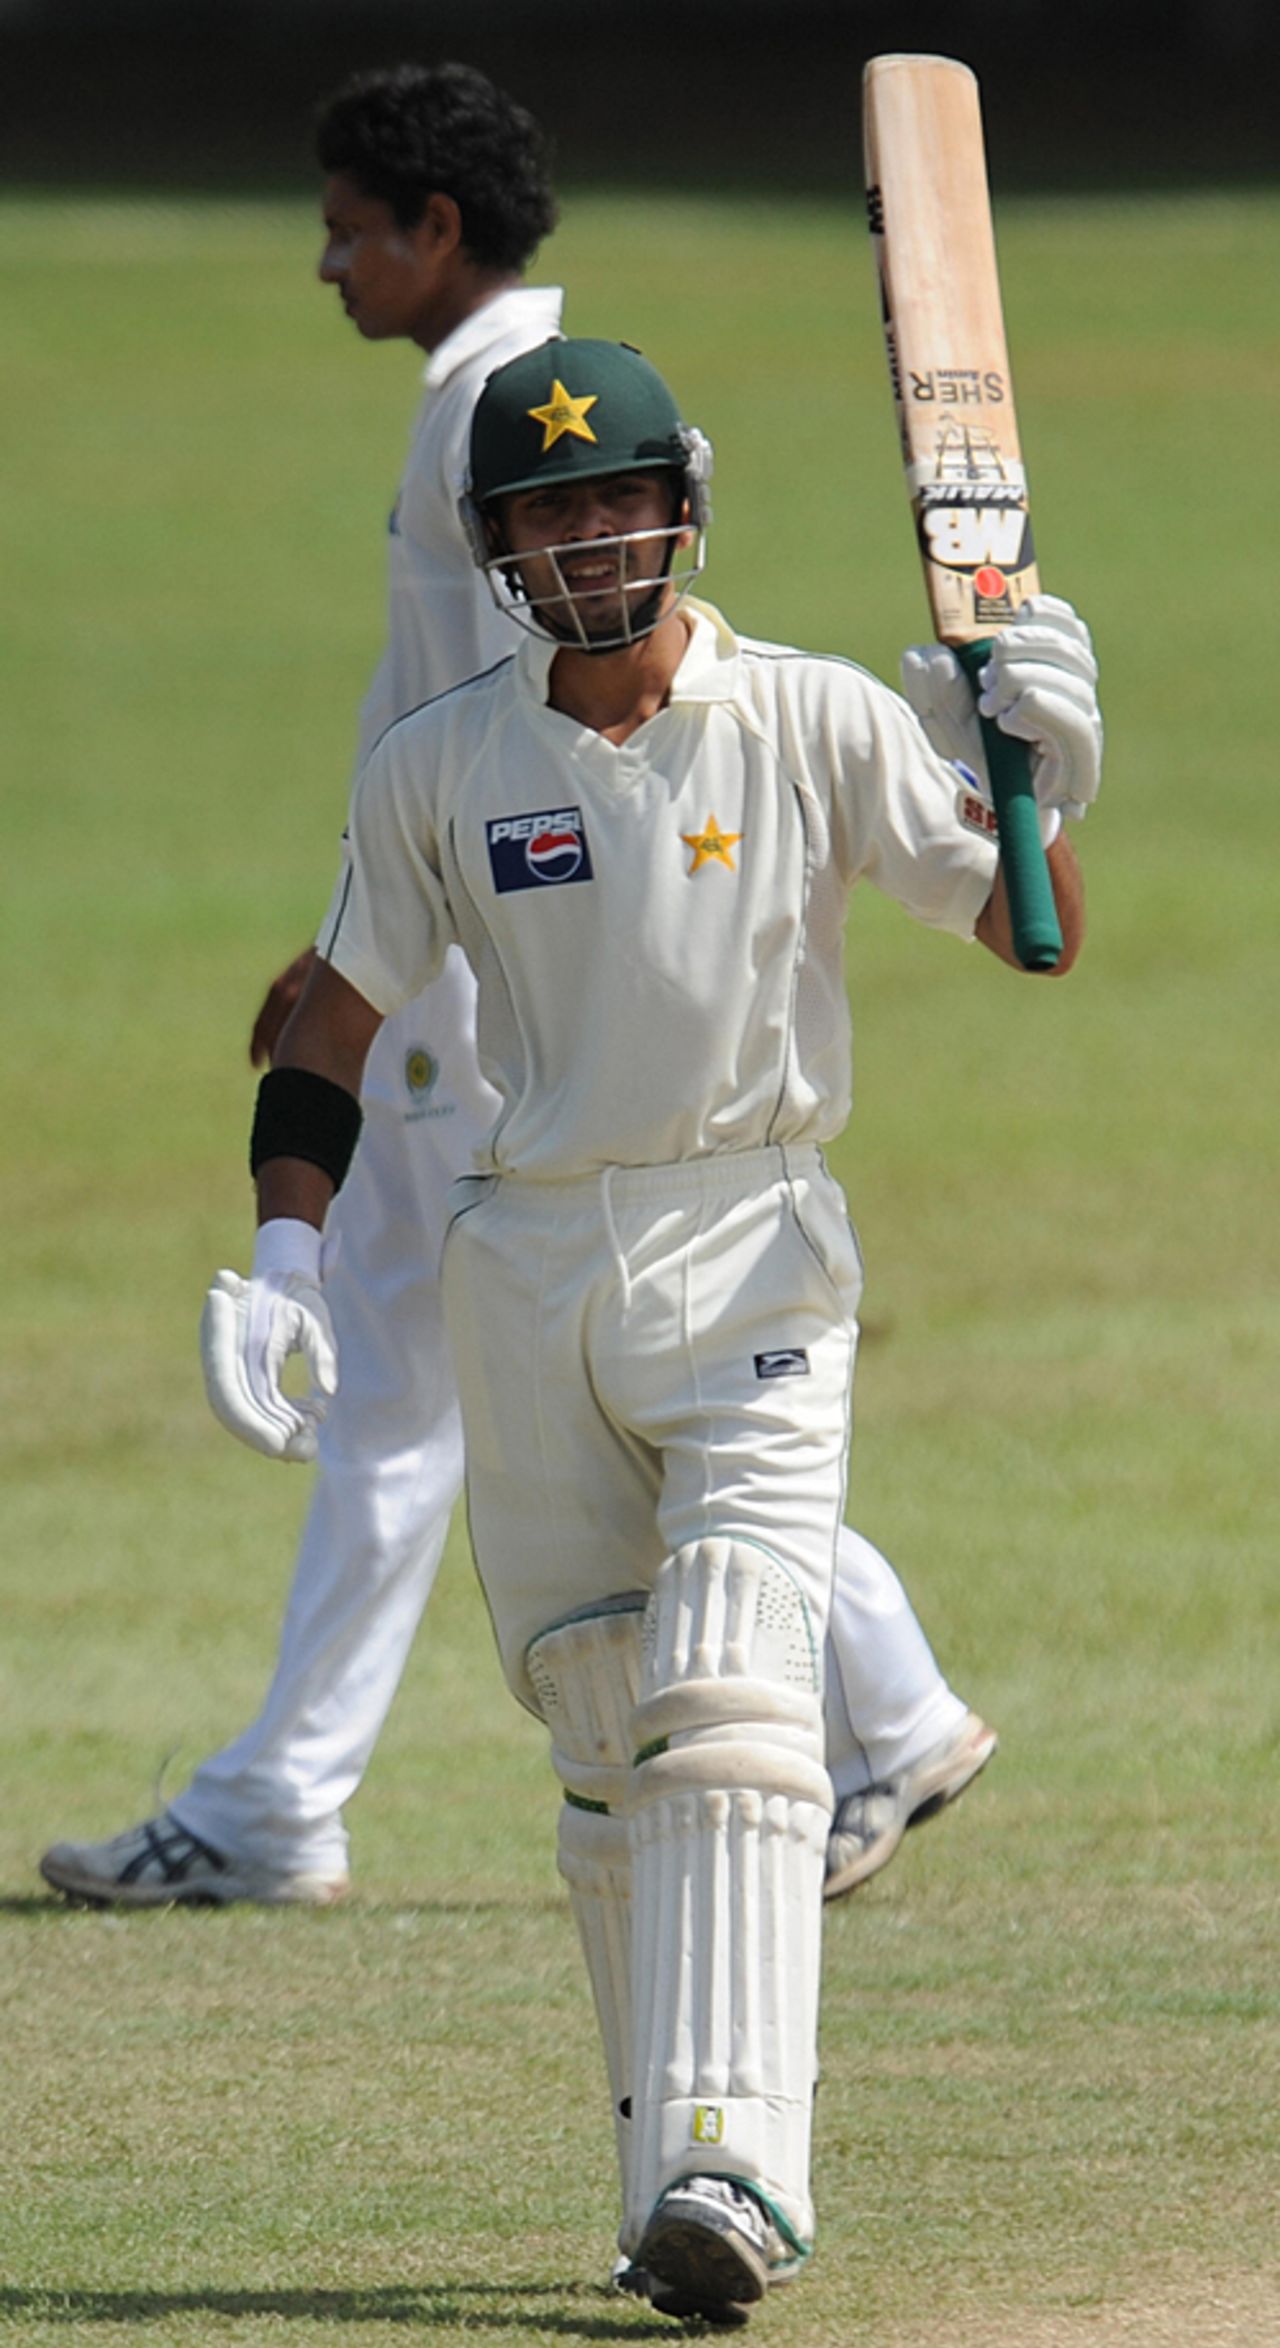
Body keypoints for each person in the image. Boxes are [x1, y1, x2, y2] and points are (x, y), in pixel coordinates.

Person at [196, 337, 1100, 2321]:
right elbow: (333, 1024)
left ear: (679, 506)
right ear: (500, 549)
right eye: (544, 512)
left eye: (615, 500)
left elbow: (1030, 926)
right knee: (605, 1717)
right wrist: (282, 1255)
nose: (588, 537)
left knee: (736, 1697)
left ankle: (736, 2165)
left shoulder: (812, 713)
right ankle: (660, 2197)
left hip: (755, 1243)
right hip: (528, 1266)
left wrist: (1038, 763)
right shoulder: (440, 759)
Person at [40, 63, 993, 1919]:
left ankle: (288, 1802)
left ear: (433, 230)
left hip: (499, 1001)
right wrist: (346, 941)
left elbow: (536, 723)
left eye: (346, 226)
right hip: (457, 969)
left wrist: (379, 975)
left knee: (456, 1378)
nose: (327, 263)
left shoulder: (496, 414)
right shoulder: (484, 391)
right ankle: (879, 1709)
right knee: (514, 1379)